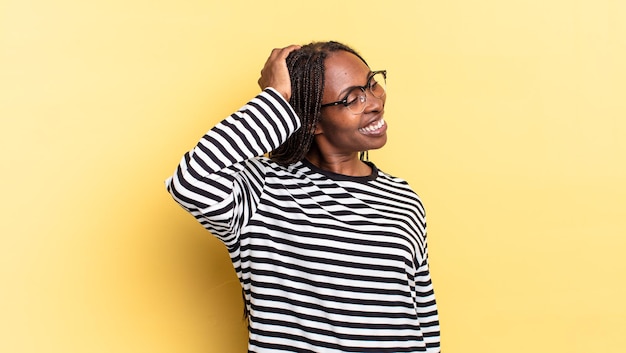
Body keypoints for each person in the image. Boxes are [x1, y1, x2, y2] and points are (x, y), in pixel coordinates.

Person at [166, 41, 440, 352]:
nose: (375, 101)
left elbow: (422, 313)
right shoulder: (262, 189)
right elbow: (191, 181)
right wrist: (275, 98)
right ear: (310, 121)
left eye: (372, 83)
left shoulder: (402, 197)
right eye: (352, 98)